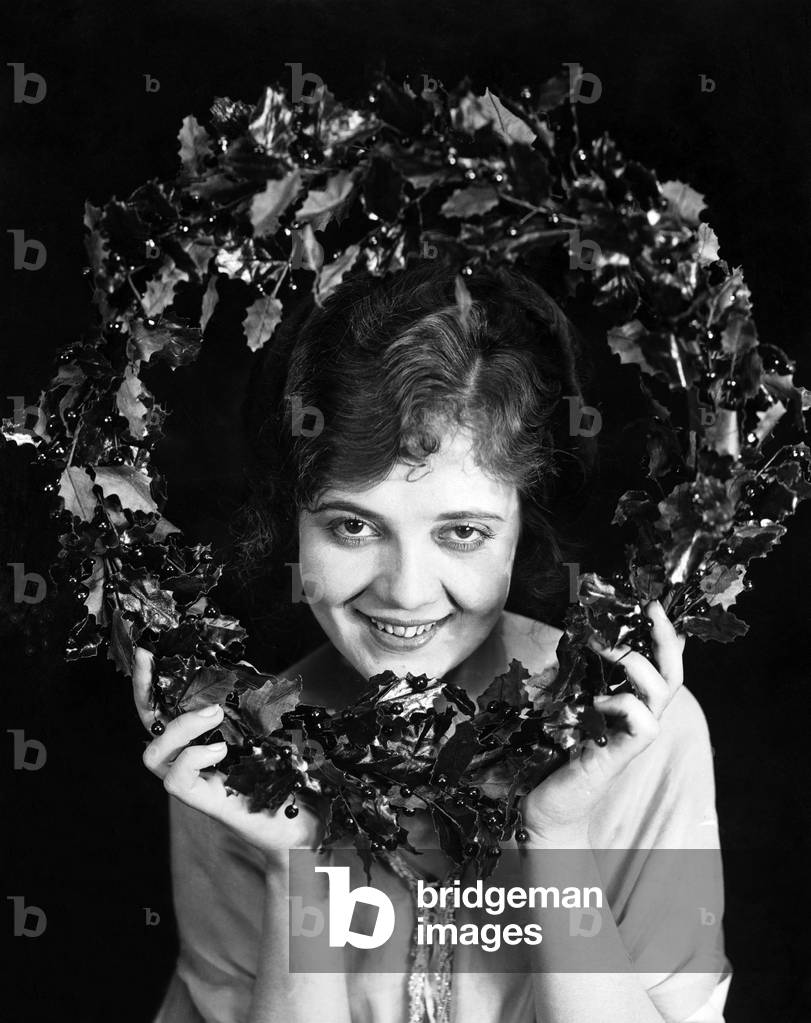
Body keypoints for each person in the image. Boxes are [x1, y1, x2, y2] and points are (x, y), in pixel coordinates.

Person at [133, 263, 731, 1023]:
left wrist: (556, 836)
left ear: (522, 524)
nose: (406, 590)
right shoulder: (232, 756)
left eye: (461, 532)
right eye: (353, 525)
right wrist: (298, 868)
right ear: (295, 521)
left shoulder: (641, 733)